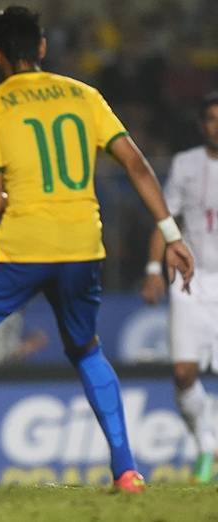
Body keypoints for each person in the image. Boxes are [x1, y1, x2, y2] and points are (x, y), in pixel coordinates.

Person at [0, 6, 195, 494]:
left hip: (24, 245)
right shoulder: (85, 96)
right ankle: (126, 470)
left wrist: (19, 198)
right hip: (83, 244)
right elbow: (138, 166)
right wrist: (173, 235)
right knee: (86, 348)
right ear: (41, 47)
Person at [140, 91, 218, 484]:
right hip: (191, 279)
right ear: (202, 124)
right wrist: (154, 268)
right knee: (185, 372)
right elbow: (165, 218)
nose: (216, 125)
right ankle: (206, 444)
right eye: (211, 119)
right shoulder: (186, 164)